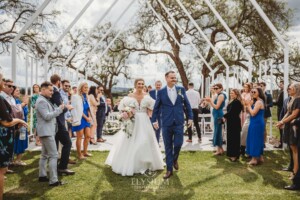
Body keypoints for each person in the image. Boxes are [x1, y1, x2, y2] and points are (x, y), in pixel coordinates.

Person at [105, 78, 164, 176]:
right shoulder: (129, 96)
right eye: (139, 83)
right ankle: (131, 163)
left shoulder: (147, 96)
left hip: (145, 121)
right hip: (133, 121)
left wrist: (154, 119)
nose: (140, 85)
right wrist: (126, 113)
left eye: (142, 84)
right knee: (132, 141)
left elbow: (152, 109)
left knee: (145, 141)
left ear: (144, 85)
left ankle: (145, 163)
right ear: (135, 85)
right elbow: (122, 108)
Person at [151, 71, 193, 179]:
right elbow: (156, 107)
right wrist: (154, 120)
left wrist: (190, 117)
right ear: (166, 78)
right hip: (166, 123)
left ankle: (174, 159)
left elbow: (187, 104)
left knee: (178, 144)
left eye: (175, 78)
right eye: (172, 78)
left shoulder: (180, 89)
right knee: (168, 146)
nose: (174, 79)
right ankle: (169, 170)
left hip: (179, 122)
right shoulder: (161, 92)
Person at [0, 73, 27, 199]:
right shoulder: (1, 98)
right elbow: (6, 121)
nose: (8, 87)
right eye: (3, 81)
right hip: (2, 139)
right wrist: (20, 121)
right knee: (1, 172)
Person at [36, 81, 65, 186]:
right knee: (54, 155)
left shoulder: (44, 100)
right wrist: (59, 109)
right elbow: (47, 116)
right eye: (50, 90)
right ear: (43, 89)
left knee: (44, 155)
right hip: (47, 132)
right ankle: (53, 180)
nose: (52, 92)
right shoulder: (41, 101)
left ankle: (42, 176)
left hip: (46, 131)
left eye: (52, 90)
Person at [50, 75, 75, 175]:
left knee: (55, 146)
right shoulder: (55, 91)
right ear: (59, 82)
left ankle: (55, 168)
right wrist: (67, 107)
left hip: (55, 122)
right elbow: (59, 106)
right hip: (58, 122)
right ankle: (62, 167)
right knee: (68, 143)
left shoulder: (53, 91)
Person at [276, 83, 300, 180]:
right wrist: (281, 122)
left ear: (296, 89)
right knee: (293, 149)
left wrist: (282, 121)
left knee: (295, 151)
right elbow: (288, 112)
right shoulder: (293, 99)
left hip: (295, 127)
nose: (288, 89)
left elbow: (294, 115)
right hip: (290, 126)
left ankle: (295, 172)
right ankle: (294, 170)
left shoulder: (298, 99)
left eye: (290, 88)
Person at [71, 82, 92, 160]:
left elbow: (88, 108)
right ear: (81, 88)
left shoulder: (87, 97)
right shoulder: (76, 97)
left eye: (87, 87)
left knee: (88, 136)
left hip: (87, 118)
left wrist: (89, 116)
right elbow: (77, 110)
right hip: (80, 118)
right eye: (85, 87)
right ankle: (79, 154)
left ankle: (85, 152)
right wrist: (86, 117)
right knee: (79, 136)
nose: (86, 89)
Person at [245, 87, 265, 166]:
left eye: (254, 92)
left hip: (257, 123)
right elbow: (249, 112)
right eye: (251, 92)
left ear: (259, 93)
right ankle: (260, 157)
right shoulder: (255, 101)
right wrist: (248, 106)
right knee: (256, 139)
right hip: (255, 122)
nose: (252, 93)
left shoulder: (259, 102)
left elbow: (253, 113)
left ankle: (254, 159)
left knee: (254, 140)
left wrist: (249, 105)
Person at [204, 83, 227, 155]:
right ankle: (220, 149)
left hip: (218, 114)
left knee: (218, 131)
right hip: (216, 114)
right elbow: (213, 106)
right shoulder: (218, 95)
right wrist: (209, 101)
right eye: (214, 88)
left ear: (221, 88)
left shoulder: (221, 95)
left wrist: (210, 101)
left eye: (217, 88)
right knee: (217, 131)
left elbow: (217, 107)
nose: (215, 89)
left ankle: (219, 149)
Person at [223, 89, 243, 162]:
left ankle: (235, 155)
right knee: (230, 138)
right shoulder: (232, 101)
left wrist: (223, 116)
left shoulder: (237, 102)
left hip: (234, 122)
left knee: (234, 139)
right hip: (230, 121)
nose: (231, 94)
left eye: (232, 93)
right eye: (230, 93)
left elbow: (231, 112)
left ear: (236, 94)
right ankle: (231, 154)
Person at [12, 87, 29, 166]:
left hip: (23, 125)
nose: (18, 92)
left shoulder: (18, 101)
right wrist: (24, 104)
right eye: (17, 91)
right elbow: (16, 112)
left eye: (19, 91)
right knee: (16, 141)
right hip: (17, 125)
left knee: (21, 141)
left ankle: (18, 159)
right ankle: (13, 160)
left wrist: (25, 104)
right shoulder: (12, 101)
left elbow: (25, 112)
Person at [240, 83, 252, 156]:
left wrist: (244, 100)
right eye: (244, 87)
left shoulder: (250, 94)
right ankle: (242, 146)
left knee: (246, 130)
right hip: (242, 111)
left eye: (246, 87)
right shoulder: (242, 93)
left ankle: (246, 147)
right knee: (242, 129)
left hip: (247, 111)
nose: (245, 88)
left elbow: (248, 103)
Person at [274, 80, 284, 148]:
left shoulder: (283, 93)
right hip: (279, 110)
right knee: (280, 128)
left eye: (281, 84)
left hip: (281, 111)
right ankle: (281, 142)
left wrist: (272, 102)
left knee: (281, 127)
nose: (280, 85)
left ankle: (282, 143)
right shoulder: (281, 92)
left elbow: (279, 102)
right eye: (280, 84)